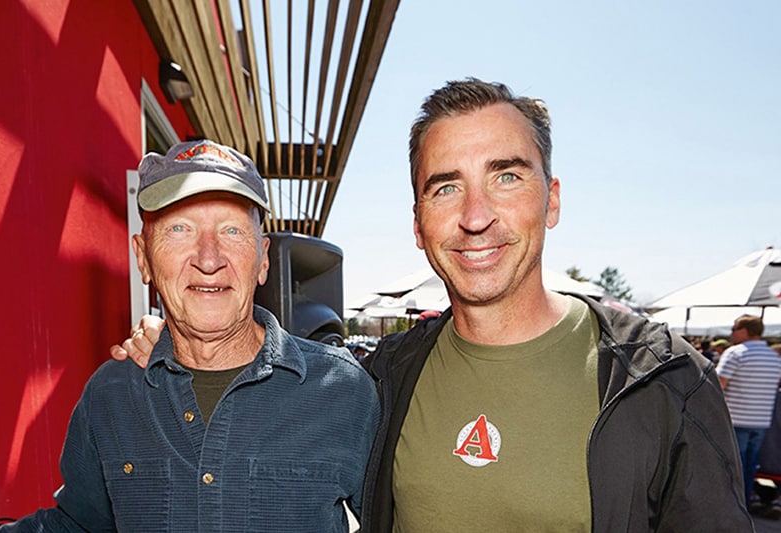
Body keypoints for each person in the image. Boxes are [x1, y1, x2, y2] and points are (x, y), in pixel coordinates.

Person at [114, 80, 752, 531]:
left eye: (506, 176)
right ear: (418, 223)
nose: (476, 217)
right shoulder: (379, 379)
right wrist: (182, 347)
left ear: (551, 199)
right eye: (446, 187)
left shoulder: (663, 382)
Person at [1, 139, 379, 531]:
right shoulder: (110, 396)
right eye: (179, 229)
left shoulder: (343, 389)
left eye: (231, 230)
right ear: (143, 257)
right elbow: (78, 526)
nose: (209, 258)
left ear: (263, 259)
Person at [717, 314, 781, 507]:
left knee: (733, 466)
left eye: (733, 329)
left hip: (736, 419)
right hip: (761, 421)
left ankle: (734, 507)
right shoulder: (774, 357)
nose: (731, 333)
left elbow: (719, 385)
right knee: (750, 466)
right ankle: (744, 503)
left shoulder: (735, 353)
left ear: (744, 331)